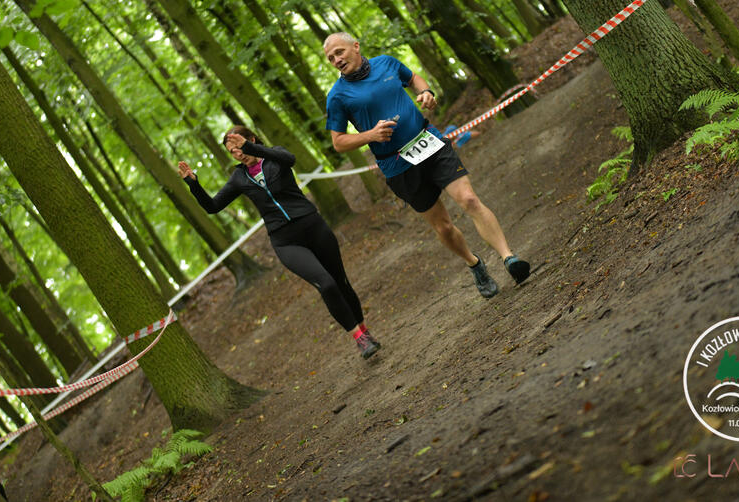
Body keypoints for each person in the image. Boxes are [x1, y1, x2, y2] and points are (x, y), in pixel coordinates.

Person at [323, 32, 531, 299]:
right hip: (397, 164)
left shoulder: (386, 63)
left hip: (429, 142)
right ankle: (474, 264)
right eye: (331, 58)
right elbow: (339, 142)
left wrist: (426, 92)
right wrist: (370, 136)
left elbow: (413, 78)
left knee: (469, 200)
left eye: (339, 52)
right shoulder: (337, 96)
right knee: (443, 226)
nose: (336, 59)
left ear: (355, 46)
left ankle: (509, 258)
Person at [178, 126, 381, 359]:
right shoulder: (238, 178)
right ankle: (359, 338)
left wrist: (251, 148)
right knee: (326, 284)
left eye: (239, 147)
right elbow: (212, 207)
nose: (238, 154)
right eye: (232, 152)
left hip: (313, 227)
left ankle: (365, 331)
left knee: (340, 282)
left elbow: (290, 159)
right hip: (285, 241)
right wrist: (193, 183)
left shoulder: (274, 157)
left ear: (252, 140)